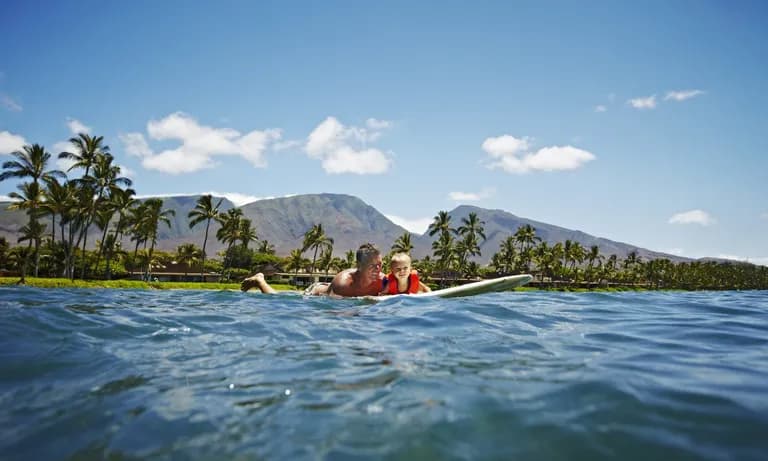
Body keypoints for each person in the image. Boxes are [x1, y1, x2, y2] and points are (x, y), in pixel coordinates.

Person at [241, 243, 386, 297]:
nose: (378, 270)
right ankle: (260, 281)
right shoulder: (344, 283)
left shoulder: (383, 281)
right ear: (359, 266)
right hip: (315, 293)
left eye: (380, 265)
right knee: (275, 299)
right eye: (373, 266)